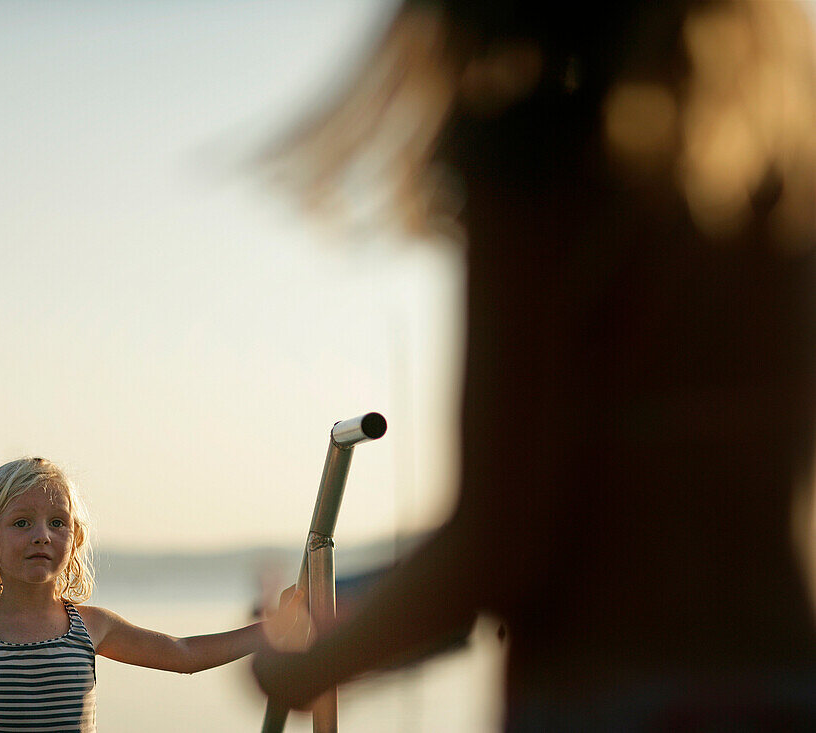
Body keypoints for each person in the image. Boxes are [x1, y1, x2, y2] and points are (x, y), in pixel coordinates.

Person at [253, 0, 816, 728]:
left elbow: (498, 539)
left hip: (606, 697)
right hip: (783, 687)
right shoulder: (776, 177)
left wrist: (303, 661)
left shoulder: (537, 159)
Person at [0, 456, 290, 731]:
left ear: (75, 541)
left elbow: (184, 653)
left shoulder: (91, 626)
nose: (41, 536)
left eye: (57, 523)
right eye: (21, 522)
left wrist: (273, 629)